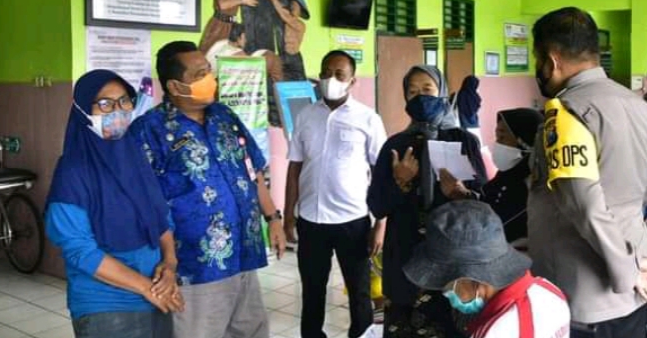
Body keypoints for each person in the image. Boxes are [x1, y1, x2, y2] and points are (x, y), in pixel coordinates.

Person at [129, 41, 286, 338]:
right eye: (200, 74)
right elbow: (146, 203)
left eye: (209, 71)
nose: (210, 78)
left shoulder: (224, 116)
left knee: (252, 331)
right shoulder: (150, 130)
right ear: (175, 86)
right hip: (196, 267)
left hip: (244, 254)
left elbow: (252, 169)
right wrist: (168, 260)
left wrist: (273, 218)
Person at [528, 7, 647, 338]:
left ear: (552, 60)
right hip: (638, 282)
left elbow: (585, 206)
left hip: (586, 291)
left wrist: (626, 269)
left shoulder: (566, 114)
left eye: (538, 60)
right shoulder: (641, 107)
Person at [45, 69, 183, 338]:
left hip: (156, 295)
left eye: (124, 101)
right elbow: (81, 251)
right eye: (105, 104)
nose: (118, 110)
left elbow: (161, 217)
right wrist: (147, 288)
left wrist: (169, 263)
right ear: (84, 111)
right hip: (107, 308)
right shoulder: (73, 171)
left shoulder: (133, 156)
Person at [367, 65, 488, 338]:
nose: (420, 97)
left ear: (442, 92)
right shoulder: (395, 145)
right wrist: (399, 183)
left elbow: (485, 204)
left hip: (452, 262)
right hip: (405, 259)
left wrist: (461, 194)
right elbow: (377, 205)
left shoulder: (463, 141)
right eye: (412, 92)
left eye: (427, 89)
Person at [284, 50, 388, 338]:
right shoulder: (305, 115)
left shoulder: (368, 119)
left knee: (359, 292)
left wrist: (380, 225)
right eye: (326, 73)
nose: (331, 79)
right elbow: (294, 167)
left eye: (339, 74)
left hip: (352, 221)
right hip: (311, 219)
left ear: (352, 81)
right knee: (312, 291)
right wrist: (288, 216)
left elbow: (382, 175)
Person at [403, 201, 570, 338]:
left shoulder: (495, 332)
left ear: (471, 277)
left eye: (448, 284)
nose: (447, 293)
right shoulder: (549, 290)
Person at [479, 108, 543, 244]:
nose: (497, 144)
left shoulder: (535, 184)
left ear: (525, 140)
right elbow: (489, 201)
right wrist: (465, 195)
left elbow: (504, 224)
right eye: (496, 137)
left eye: (502, 137)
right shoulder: (507, 174)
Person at [205, 23, 284, 82]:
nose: (246, 40)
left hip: (210, 78)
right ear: (241, 36)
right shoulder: (238, 54)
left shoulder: (220, 43)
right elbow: (251, 71)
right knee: (272, 58)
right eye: (245, 37)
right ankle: (281, 89)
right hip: (221, 83)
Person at [265, 0, 309, 81]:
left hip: (293, 58)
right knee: (278, 80)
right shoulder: (284, 18)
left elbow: (285, 16)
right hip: (282, 55)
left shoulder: (300, 24)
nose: (292, 7)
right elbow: (282, 11)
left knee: (300, 82)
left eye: (295, 6)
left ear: (300, 11)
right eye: (291, 4)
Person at [451, 75, 482, 142]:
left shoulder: (456, 95)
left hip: (460, 123)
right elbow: (477, 108)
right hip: (473, 124)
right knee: (474, 142)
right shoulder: (476, 97)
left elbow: (450, 107)